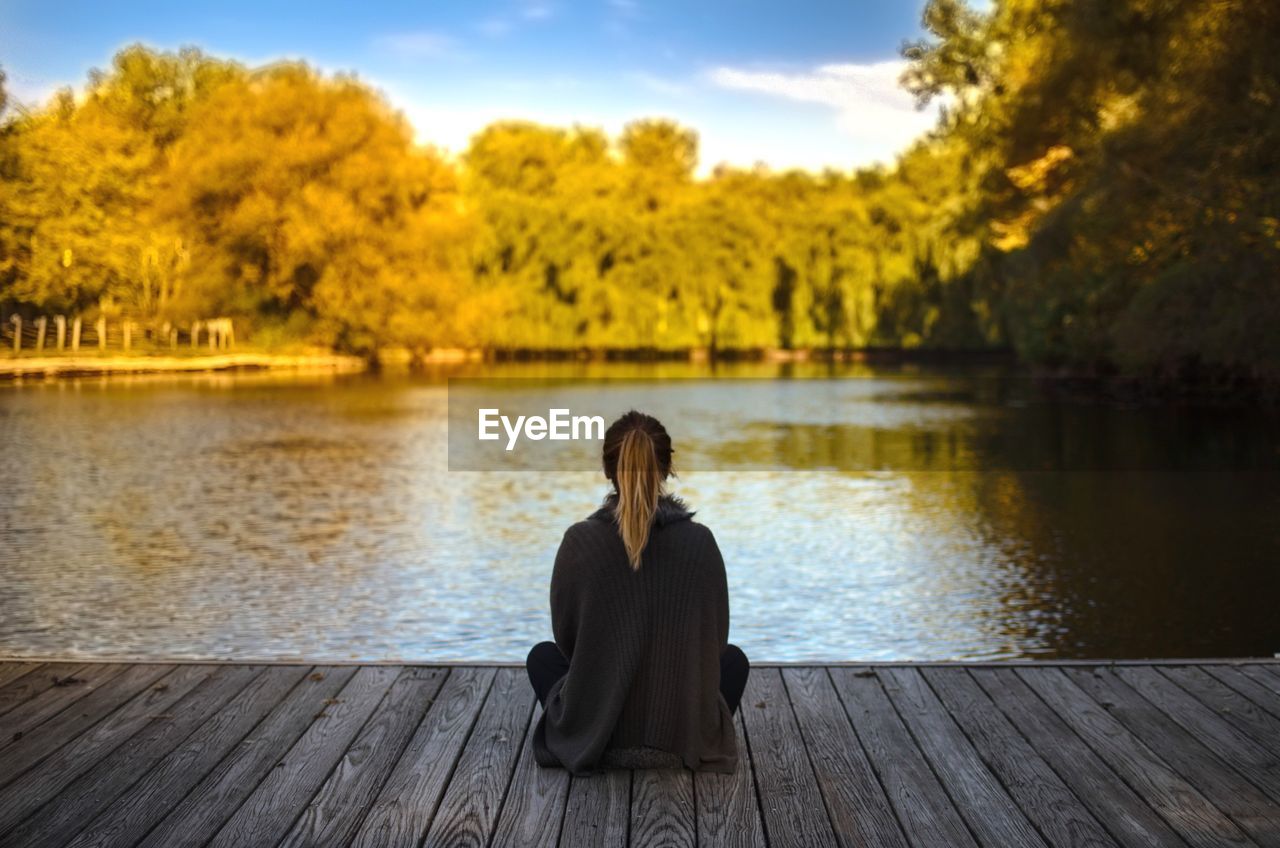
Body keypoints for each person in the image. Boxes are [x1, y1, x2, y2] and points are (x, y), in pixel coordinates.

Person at [526, 410, 749, 776]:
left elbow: (568, 644)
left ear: (606, 469)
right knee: (734, 661)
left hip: (598, 737)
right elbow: (716, 643)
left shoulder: (579, 541)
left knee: (542, 657)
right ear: (667, 468)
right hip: (681, 738)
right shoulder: (701, 542)